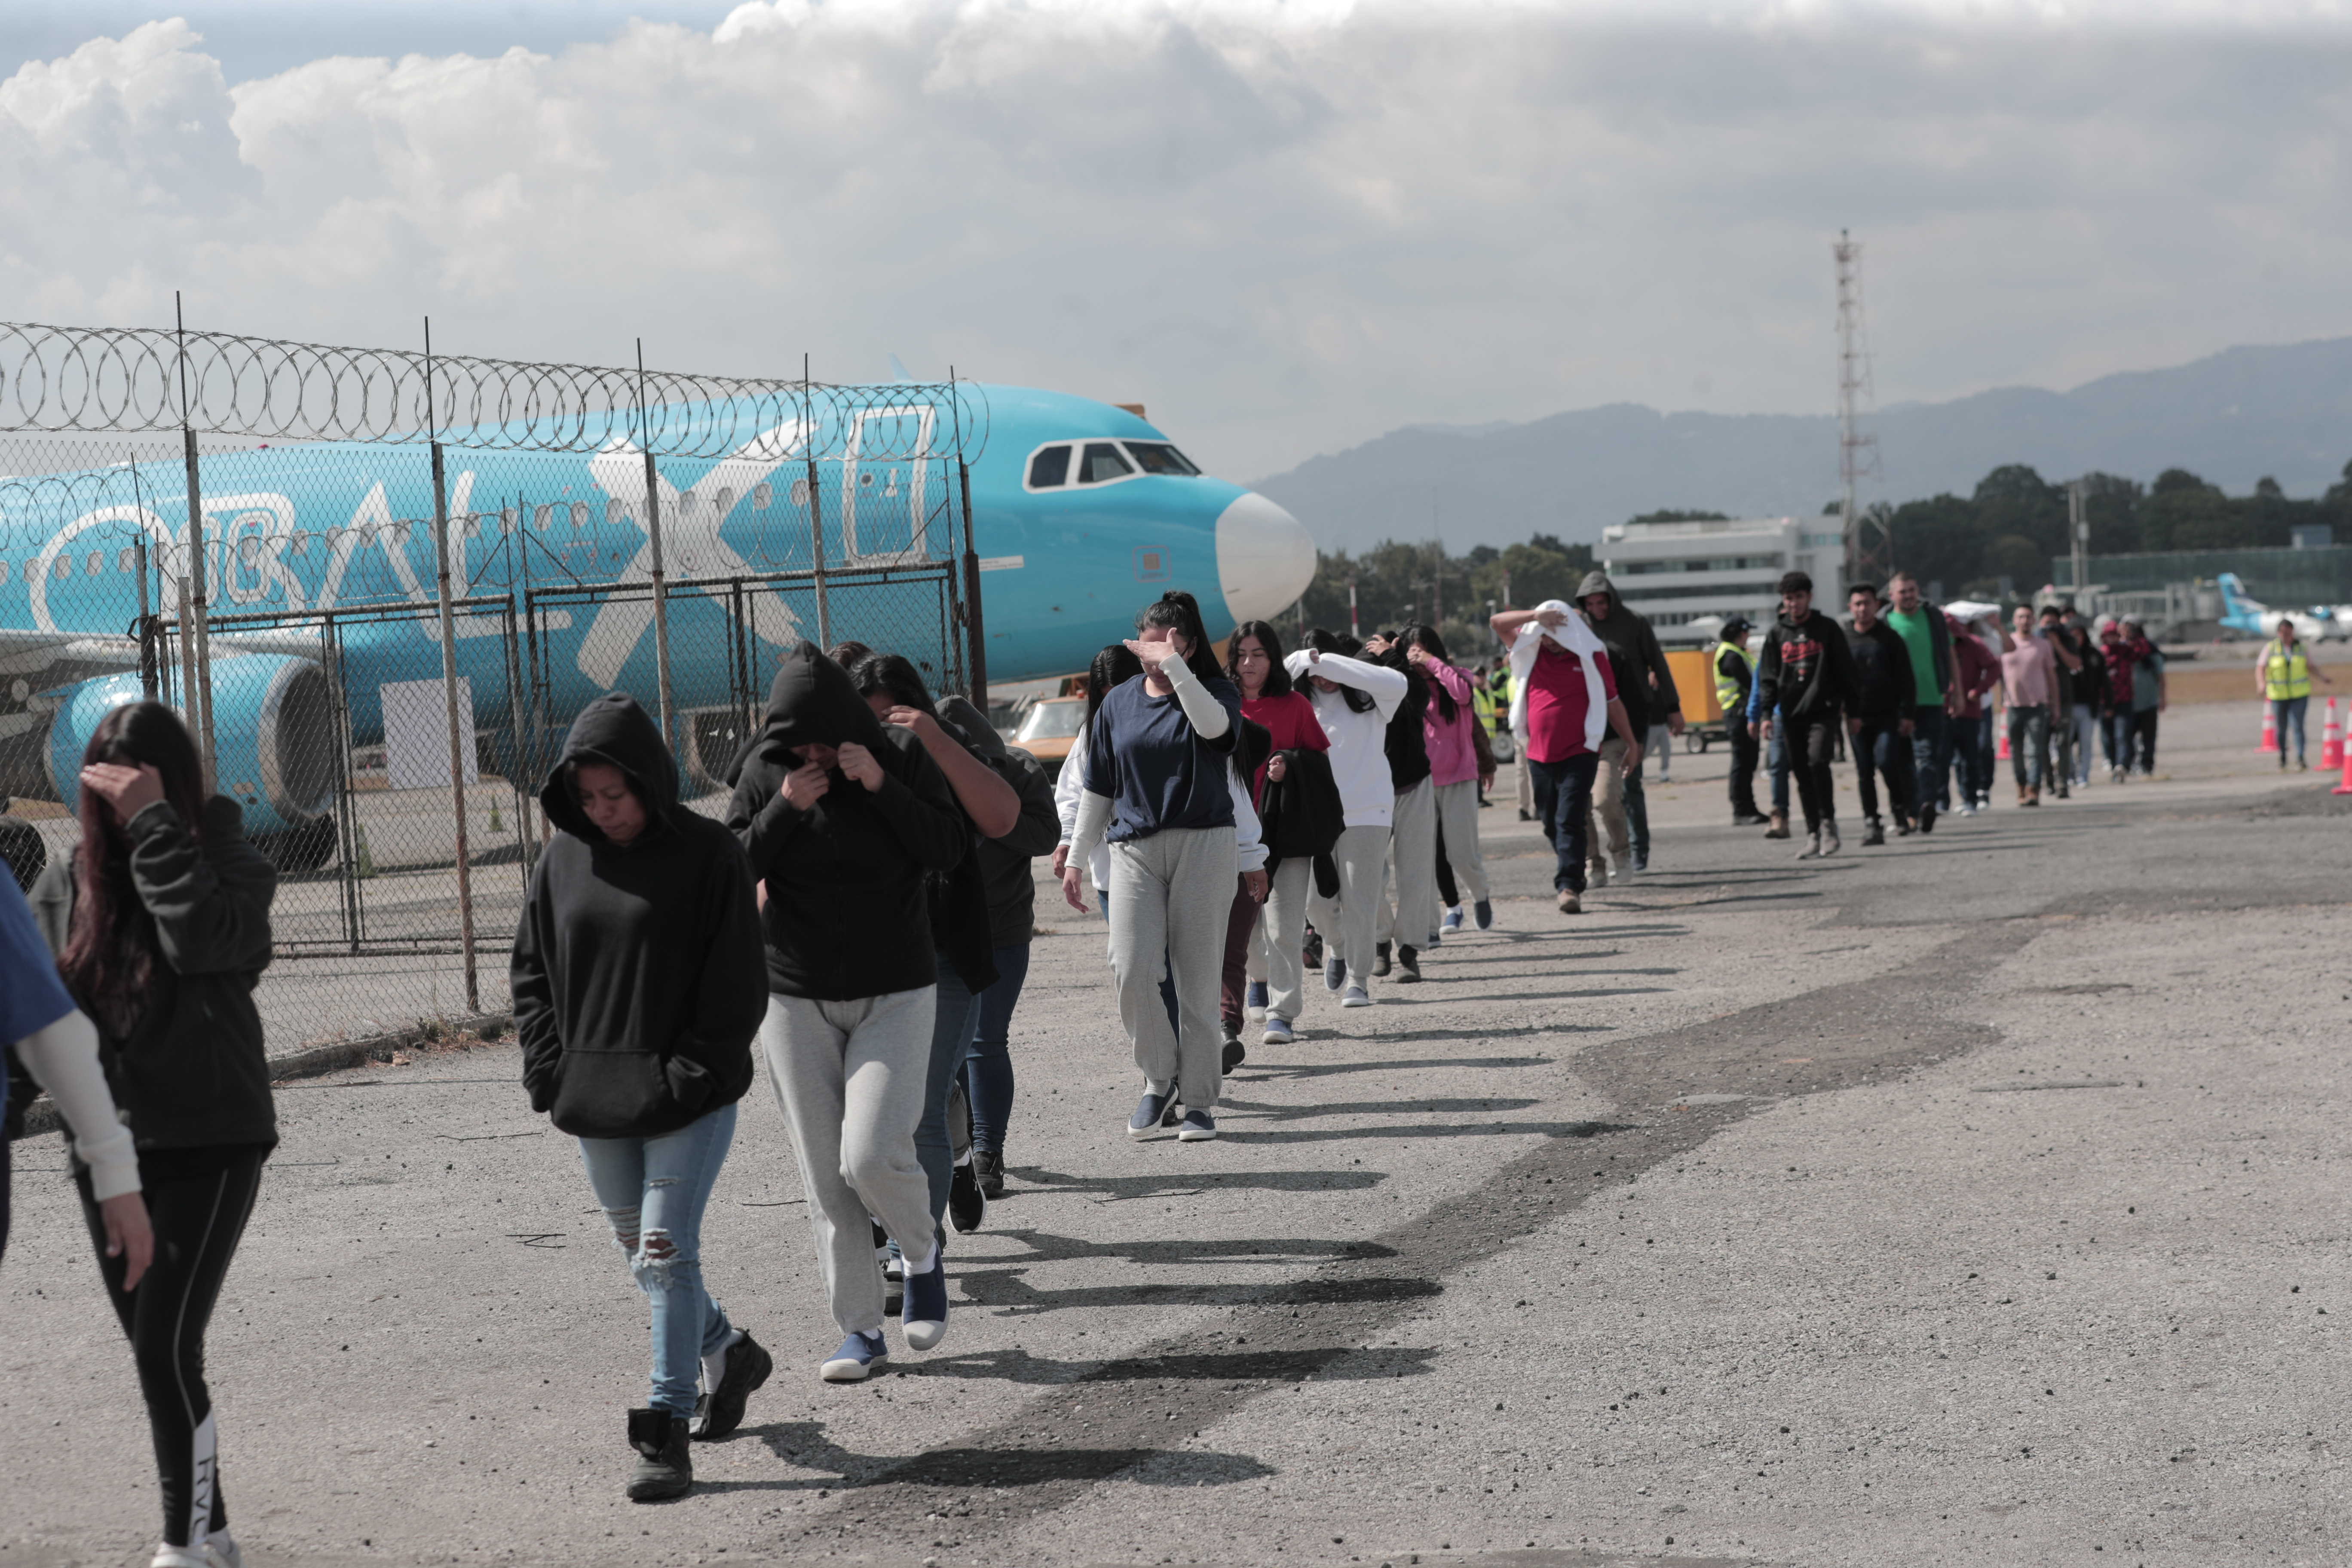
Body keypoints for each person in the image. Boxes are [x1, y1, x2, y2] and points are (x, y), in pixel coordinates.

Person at [28, 701, 276, 1568]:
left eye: (139, 777)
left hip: (214, 1135)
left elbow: (210, 942)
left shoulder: (228, 857)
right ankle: (215, 1535)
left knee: (164, 1342)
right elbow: (38, 1016)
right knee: (160, 1352)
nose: (120, 796)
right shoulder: (72, 878)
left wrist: (158, 827)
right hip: (111, 1155)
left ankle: (181, 1545)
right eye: (109, 778)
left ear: (173, 782)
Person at [511, 692, 771, 1499]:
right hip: (597, 1097)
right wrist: (549, 1070)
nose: (600, 811)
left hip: (688, 1097)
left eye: (613, 796)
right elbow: (531, 974)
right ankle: (729, 1348)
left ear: (649, 782)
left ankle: (665, 1425)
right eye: (585, 799)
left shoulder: (709, 853)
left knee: (664, 1249)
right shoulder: (561, 859)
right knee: (641, 1253)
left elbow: (737, 983)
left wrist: (688, 1075)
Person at [728, 643, 968, 1383]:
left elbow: (950, 846)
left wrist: (883, 787)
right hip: (794, 994)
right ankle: (861, 1330)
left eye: (822, 741)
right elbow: (730, 869)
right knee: (826, 1178)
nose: (810, 754)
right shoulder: (764, 769)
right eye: (795, 742)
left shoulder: (895, 753)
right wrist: (784, 808)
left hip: (896, 987)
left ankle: (921, 1251)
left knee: (866, 1153)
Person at [844, 653, 1026, 1241]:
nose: (884, 735)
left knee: (921, 1100)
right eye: (868, 722)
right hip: (865, 963)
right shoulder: (841, 761)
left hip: (944, 955)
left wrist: (929, 736)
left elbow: (1002, 818)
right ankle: (926, 1197)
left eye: (891, 719)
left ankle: (912, 1245)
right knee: (875, 1113)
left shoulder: (942, 747)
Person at [1063, 591, 1242, 1140]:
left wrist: (1177, 672)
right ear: (1135, 644)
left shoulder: (1214, 691)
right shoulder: (1117, 703)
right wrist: (1074, 859)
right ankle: (1158, 1077)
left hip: (1204, 844)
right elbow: (1097, 786)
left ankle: (1200, 1101)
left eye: (1176, 647)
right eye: (1153, 646)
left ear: (1190, 648)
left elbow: (1218, 733)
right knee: (1132, 968)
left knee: (1196, 980)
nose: (1162, 656)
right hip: (1134, 849)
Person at [1283, 631, 1408, 1008]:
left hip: (1368, 811)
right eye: (1314, 669)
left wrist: (1332, 663)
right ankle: (1336, 946)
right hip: (1314, 815)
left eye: (1330, 666)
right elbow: (1279, 672)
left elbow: (1398, 681)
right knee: (1316, 903)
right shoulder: (1297, 700)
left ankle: (1358, 979)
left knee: (1361, 899)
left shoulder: (1371, 698)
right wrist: (1307, 659)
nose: (1322, 677)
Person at [1491, 601, 1639, 915]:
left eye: (1555, 634)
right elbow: (1497, 623)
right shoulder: (1531, 650)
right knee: (1549, 822)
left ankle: (1569, 886)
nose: (1548, 641)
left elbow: (1613, 702)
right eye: (1544, 634)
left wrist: (1631, 743)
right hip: (1538, 754)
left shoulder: (1592, 655)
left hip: (1580, 751)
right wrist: (1534, 617)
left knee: (1569, 819)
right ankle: (1573, 866)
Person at [1227, 621, 1327, 1047]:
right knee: (1242, 932)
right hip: (1229, 834)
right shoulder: (1219, 703)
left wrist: (1290, 763)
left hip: (1284, 833)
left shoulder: (1295, 706)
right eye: (1242, 654)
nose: (1249, 663)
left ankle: (1283, 1013)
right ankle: (1259, 979)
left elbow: (1320, 762)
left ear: (1273, 658)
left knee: (1284, 927)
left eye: (1259, 655)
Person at [1575, 572, 1683, 874]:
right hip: (1595, 719)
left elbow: (1657, 662)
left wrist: (1673, 707)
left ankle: (1638, 850)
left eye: (1602, 602)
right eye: (1590, 603)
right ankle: (1602, 855)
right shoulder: (1582, 627)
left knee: (1630, 783)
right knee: (1592, 795)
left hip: (1635, 711)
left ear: (1612, 599)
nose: (1597, 608)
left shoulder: (1634, 622)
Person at [1755, 571, 1861, 859]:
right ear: (1783, 601)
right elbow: (1767, 678)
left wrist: (1852, 711)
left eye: (1799, 597)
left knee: (1817, 762)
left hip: (1823, 712)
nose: (1794, 604)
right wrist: (1766, 714)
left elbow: (1846, 673)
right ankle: (1813, 833)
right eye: (1789, 599)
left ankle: (1829, 824)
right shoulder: (1777, 634)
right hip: (1790, 715)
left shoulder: (1827, 628)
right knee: (1801, 774)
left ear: (1809, 598)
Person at [1399, 624, 1495, 934]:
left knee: (1461, 852)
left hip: (1460, 779)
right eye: (1411, 654)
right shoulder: (1407, 686)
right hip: (1421, 782)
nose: (1417, 661)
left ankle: (1480, 895)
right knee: (1425, 858)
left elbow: (1464, 695)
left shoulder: (1459, 676)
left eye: (1421, 652)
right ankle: (1438, 919)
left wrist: (1432, 662)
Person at [1360, 631, 1434, 983]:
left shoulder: (1408, 684)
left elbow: (1418, 697)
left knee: (1416, 872)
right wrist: (1381, 659)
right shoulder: (1359, 680)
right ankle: (1379, 941)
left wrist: (1393, 658)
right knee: (1368, 873)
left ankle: (1409, 950)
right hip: (1372, 793)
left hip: (1415, 785)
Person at [1843, 584, 1918, 845]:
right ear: (1850, 608)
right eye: (1857, 604)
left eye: (1867, 603)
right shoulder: (1843, 640)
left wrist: (1908, 714)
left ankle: (1900, 811)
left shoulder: (1890, 638)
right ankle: (1871, 823)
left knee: (1887, 763)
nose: (1863, 609)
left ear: (1877, 605)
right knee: (1864, 771)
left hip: (1888, 715)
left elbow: (1907, 679)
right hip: (1856, 717)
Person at [1883, 572, 1957, 832]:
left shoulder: (1933, 617)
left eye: (1912, 590)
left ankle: (1927, 804)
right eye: (1902, 591)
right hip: (1897, 703)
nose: (1909, 595)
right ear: (1891, 595)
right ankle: (1910, 811)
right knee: (1900, 760)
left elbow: (1949, 653)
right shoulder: (1885, 623)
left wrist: (1955, 691)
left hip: (1930, 698)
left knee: (1929, 757)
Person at [2000, 603, 2070, 807]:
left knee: (2036, 750)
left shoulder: (2043, 645)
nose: (2025, 621)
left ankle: (2033, 789)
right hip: (2013, 705)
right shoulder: (2006, 644)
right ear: (2014, 621)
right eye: (2021, 617)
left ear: (2034, 621)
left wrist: (2055, 706)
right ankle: (2020, 786)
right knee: (2016, 751)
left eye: (2029, 617)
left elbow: (2052, 677)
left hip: (2037, 706)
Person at [2258, 617, 2331, 771]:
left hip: (2300, 694)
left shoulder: (2301, 647)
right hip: (2278, 695)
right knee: (2282, 727)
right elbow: (2260, 667)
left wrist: (2322, 677)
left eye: (2290, 633)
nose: (2287, 637)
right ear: (2279, 633)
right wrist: (2261, 683)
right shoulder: (2271, 648)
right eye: (2284, 633)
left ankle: (2300, 758)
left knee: (2298, 725)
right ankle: (2283, 756)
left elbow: (2311, 666)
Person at [1949, 612, 2005, 812]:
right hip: (1945, 710)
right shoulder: (1936, 643)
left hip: (1975, 708)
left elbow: (1995, 664)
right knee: (1952, 757)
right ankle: (1951, 798)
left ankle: (1976, 794)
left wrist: (1978, 691)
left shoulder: (1978, 642)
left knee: (1977, 751)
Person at [1713, 617, 1766, 826]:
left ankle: (1750, 807)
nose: (1749, 636)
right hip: (1738, 713)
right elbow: (1750, 683)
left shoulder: (1737, 653)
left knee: (1749, 762)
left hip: (1744, 713)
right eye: (1748, 633)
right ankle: (1741, 810)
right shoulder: (1731, 655)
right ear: (1742, 633)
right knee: (1742, 762)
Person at [2055, 605, 2104, 792]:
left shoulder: (2093, 655)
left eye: (2079, 634)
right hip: (2068, 705)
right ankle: (2069, 774)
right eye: (2072, 634)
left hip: (2087, 707)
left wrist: (2106, 703)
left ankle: (2084, 776)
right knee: (2065, 743)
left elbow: (2103, 681)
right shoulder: (2063, 655)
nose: (2076, 638)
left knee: (2086, 743)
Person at [2122, 619, 2167, 775]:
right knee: (2126, 738)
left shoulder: (2150, 651)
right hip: (2127, 702)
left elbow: (2161, 676)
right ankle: (2128, 764)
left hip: (2148, 702)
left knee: (2149, 738)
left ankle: (2147, 766)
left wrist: (2162, 698)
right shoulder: (2122, 651)